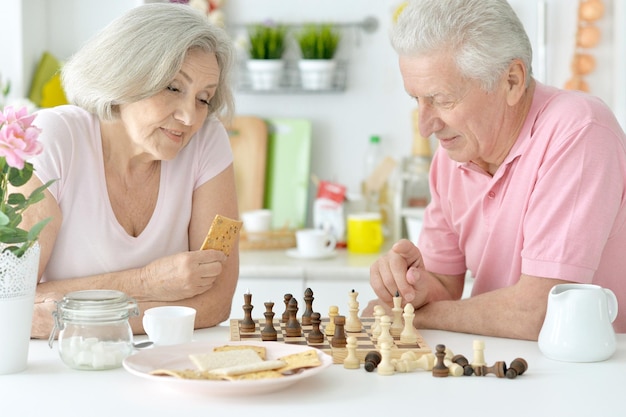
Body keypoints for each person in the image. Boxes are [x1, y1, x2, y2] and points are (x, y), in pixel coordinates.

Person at [367, 0, 626, 340]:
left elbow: (542, 312)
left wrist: (420, 317)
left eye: (442, 100)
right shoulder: (453, 155)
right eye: (416, 100)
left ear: (512, 81)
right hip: (501, 366)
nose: (425, 127)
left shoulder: (578, 131)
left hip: (591, 375)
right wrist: (410, 286)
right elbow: (444, 283)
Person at [14, 3, 240, 338]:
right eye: (174, 87)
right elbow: (14, 303)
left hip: (166, 368)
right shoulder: (54, 139)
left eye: (203, 99)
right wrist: (149, 282)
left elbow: (217, 302)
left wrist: (70, 314)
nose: (190, 117)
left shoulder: (207, 141)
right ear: (125, 76)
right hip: (62, 371)